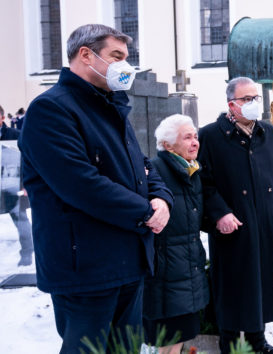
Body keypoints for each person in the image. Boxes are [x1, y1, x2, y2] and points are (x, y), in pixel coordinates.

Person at [18, 24, 173, 353]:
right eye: (116, 56)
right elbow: (80, 184)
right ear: (85, 55)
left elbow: (141, 164)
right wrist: (146, 212)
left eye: (127, 58)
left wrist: (161, 197)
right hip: (86, 269)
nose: (125, 66)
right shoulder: (52, 109)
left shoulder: (111, 106)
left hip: (128, 261)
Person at [198, 77, 273, 354]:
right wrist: (219, 213)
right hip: (233, 226)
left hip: (267, 222)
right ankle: (229, 345)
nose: (255, 103)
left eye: (257, 98)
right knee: (232, 285)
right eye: (247, 99)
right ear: (232, 104)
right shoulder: (210, 136)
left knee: (262, 283)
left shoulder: (268, 132)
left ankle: (257, 342)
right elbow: (203, 183)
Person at [143, 114, 209, 353]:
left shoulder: (191, 171)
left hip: (186, 270)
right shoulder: (155, 171)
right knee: (168, 340)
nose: (195, 142)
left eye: (196, 136)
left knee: (179, 337)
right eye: (187, 137)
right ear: (168, 145)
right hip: (166, 274)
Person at [0, 104, 34, 266]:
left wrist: (25, 184)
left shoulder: (15, 135)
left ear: (2, 118)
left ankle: (27, 254)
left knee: (20, 220)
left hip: (14, 186)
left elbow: (27, 160)